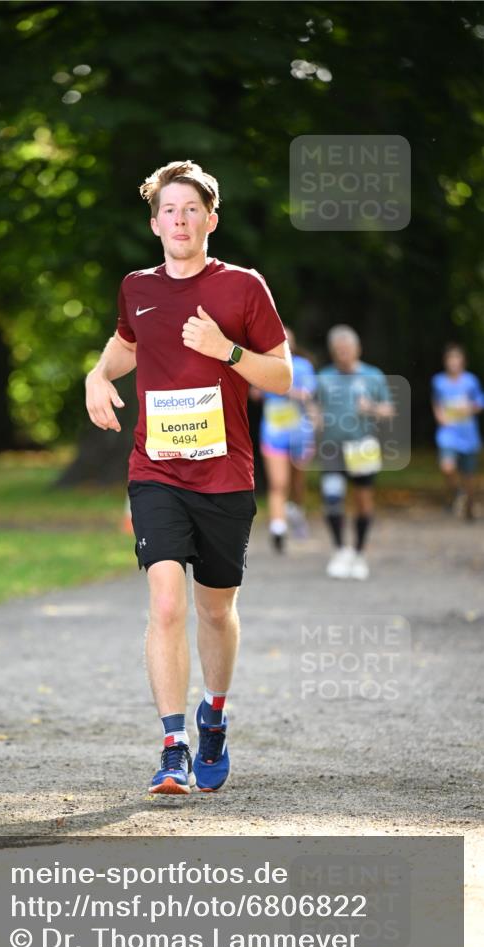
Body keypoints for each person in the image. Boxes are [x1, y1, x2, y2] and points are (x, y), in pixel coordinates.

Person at [85, 160, 291, 795]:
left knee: (215, 610)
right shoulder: (136, 287)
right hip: (156, 470)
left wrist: (225, 349)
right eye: (169, 210)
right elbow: (127, 343)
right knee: (167, 602)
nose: (179, 220)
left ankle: (214, 717)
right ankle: (173, 747)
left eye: (191, 210)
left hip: (225, 474)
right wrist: (97, 375)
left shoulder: (243, 287)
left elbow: (283, 376)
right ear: (155, 223)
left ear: (211, 220)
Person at [316, 325, 393, 581]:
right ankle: (340, 550)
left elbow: (388, 410)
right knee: (332, 498)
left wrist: (371, 408)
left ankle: (359, 553)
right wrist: (314, 418)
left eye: (347, 349)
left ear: (357, 349)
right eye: (338, 350)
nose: (343, 354)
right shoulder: (324, 377)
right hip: (332, 448)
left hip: (362, 446)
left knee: (363, 500)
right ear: (332, 352)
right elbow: (315, 407)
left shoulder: (373, 376)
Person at [255, 328, 316, 552]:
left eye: (288, 341)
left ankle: (296, 511)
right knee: (278, 483)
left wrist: (281, 388)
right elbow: (255, 392)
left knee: (297, 482)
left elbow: (307, 394)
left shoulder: (303, 366)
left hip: (300, 433)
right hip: (273, 433)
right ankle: (278, 529)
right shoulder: (265, 364)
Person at [431, 344, 483, 521]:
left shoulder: (471, 381)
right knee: (447, 467)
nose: (453, 362)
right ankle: (458, 493)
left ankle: (469, 505)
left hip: (468, 434)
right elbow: (436, 402)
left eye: (456, 358)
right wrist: (439, 416)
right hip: (448, 432)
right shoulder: (438, 381)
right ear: (445, 361)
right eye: (450, 359)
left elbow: (479, 402)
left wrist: (469, 407)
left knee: (469, 476)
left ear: (463, 361)